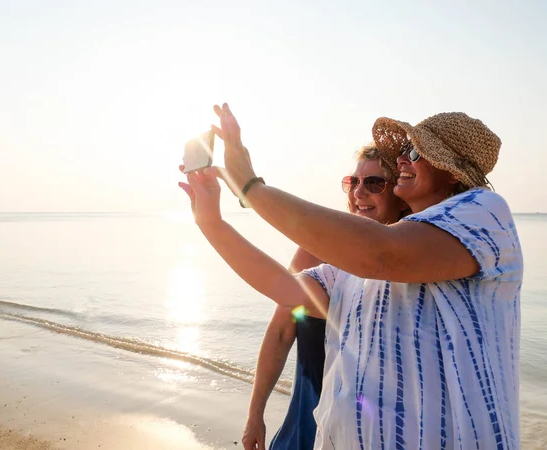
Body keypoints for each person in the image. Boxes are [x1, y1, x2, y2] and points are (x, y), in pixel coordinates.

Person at [191, 104, 522, 449]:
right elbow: (286, 291)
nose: (402, 161)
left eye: (414, 152)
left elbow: (382, 254)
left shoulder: (484, 211)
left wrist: (250, 187)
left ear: (452, 171)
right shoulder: (355, 265)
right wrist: (212, 224)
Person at [240, 145, 407, 450]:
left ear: (398, 193)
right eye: (353, 182)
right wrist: (255, 414)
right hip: (309, 412)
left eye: (373, 183)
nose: (358, 192)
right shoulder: (316, 252)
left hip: (376, 430)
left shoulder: (415, 265)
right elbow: (280, 331)